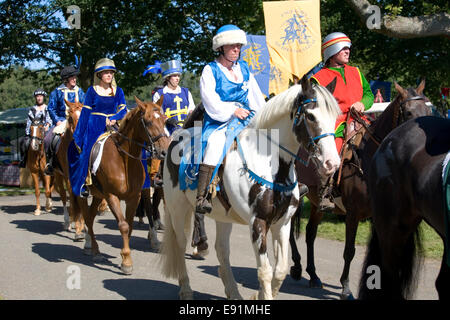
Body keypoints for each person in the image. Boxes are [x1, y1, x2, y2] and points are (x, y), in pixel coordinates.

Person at [310, 32, 374, 210]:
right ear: (332, 51)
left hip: (361, 120)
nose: (348, 51)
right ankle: (326, 191)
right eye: (343, 48)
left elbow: (368, 94)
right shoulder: (318, 79)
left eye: (348, 48)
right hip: (336, 124)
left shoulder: (356, 72)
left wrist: (363, 103)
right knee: (333, 153)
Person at [68, 58, 128, 197]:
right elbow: (85, 113)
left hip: (113, 125)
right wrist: (79, 133)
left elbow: (123, 110)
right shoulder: (92, 91)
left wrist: (113, 118)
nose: (109, 75)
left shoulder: (118, 91)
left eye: (111, 73)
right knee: (86, 152)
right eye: (106, 72)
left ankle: (140, 182)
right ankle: (84, 183)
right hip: (94, 125)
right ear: (99, 75)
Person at [143, 60, 196, 187]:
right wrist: (167, 120)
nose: (177, 78)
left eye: (178, 76)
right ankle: (156, 175)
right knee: (162, 143)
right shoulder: (159, 94)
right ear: (167, 78)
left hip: (186, 126)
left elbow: (191, 110)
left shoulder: (185, 92)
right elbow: (157, 113)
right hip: (166, 127)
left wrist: (188, 122)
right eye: (174, 76)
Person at [45, 65, 85, 175]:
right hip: (62, 121)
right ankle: (50, 164)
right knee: (48, 139)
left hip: (78, 121)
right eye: (72, 77)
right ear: (66, 79)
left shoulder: (80, 92)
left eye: (75, 77)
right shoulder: (57, 92)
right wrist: (57, 120)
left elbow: (86, 107)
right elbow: (51, 108)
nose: (75, 79)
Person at [19, 89, 53, 168]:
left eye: (40, 96)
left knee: (50, 142)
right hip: (34, 132)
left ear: (43, 97)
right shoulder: (32, 110)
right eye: (37, 96)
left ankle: (51, 162)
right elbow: (29, 122)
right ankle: (23, 160)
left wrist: (47, 125)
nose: (39, 98)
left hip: (46, 131)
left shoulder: (47, 108)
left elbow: (49, 120)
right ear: (35, 98)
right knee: (23, 142)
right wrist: (28, 133)